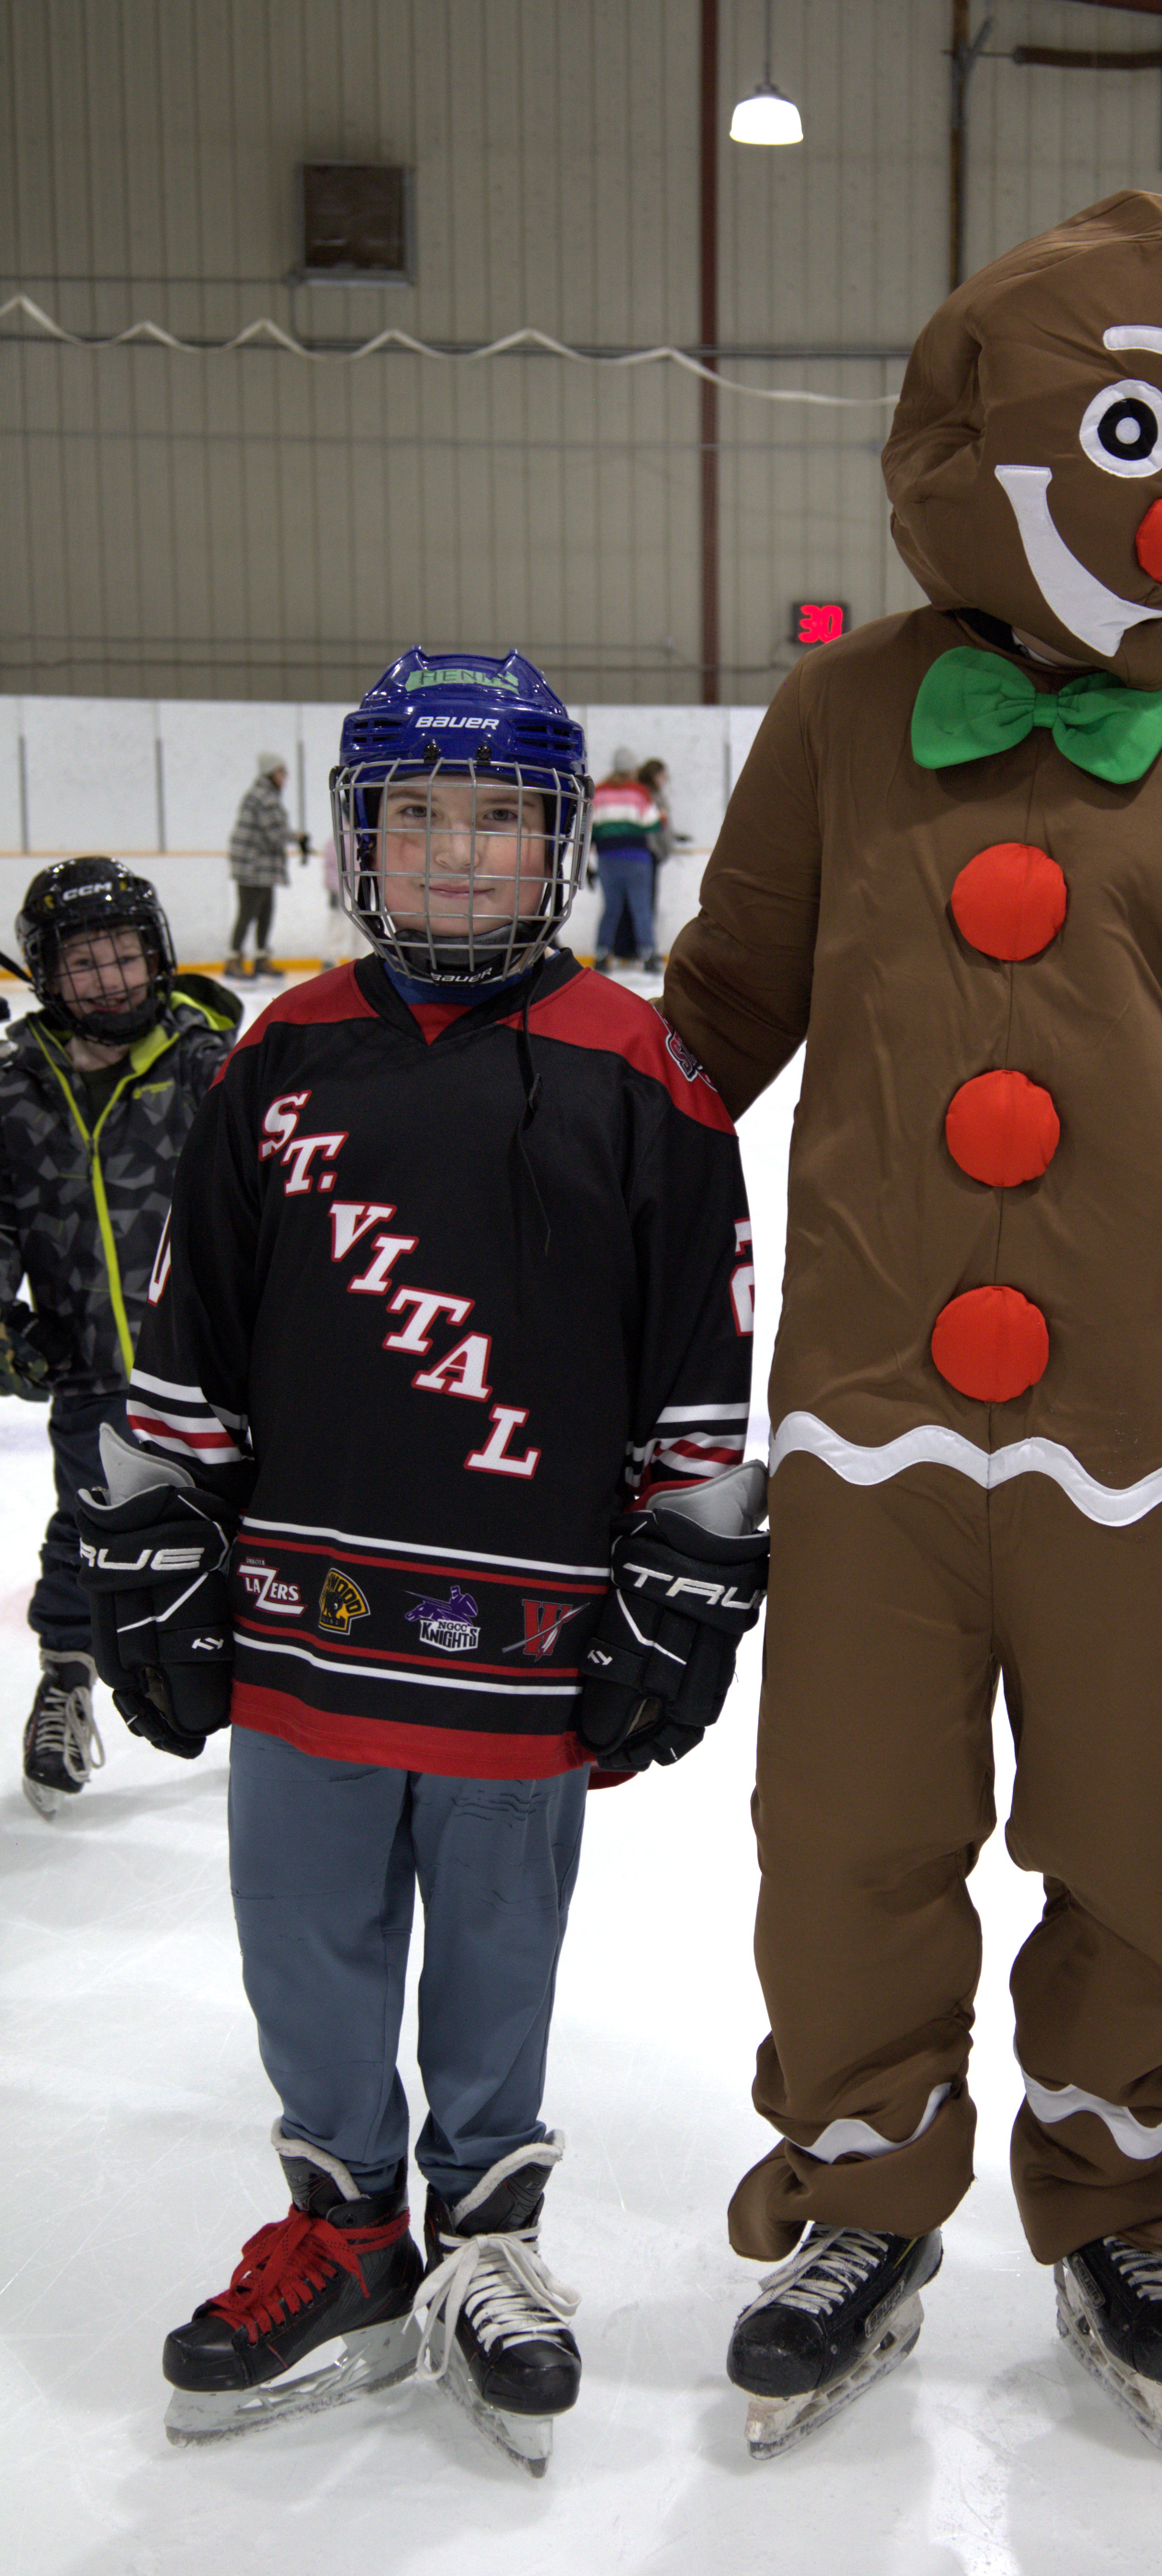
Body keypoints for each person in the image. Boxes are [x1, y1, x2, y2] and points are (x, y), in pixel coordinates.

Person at [660, 191, 1162, 2459]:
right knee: (848, 1835)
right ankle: (863, 2186)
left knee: (1138, 1839)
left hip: (1159, 1426)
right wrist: (512, 1153)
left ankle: (1120, 2193)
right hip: (877, 1430)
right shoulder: (844, 709)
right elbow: (716, 1022)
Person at [80, 648, 763, 2471]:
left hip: (522, 1639)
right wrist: (150, 1532)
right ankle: (347, 2231)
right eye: (419, 818)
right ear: (355, 839)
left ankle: (480, 2238)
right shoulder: (282, 1053)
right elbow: (191, 1327)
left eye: (501, 822)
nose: (460, 859)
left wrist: (688, 1580)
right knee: (302, 1938)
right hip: (300, 1624)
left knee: (492, 1958)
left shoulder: (646, 1073)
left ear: (564, 848)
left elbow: (705, 1361)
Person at [0, 857, 237, 1815]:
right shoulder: (16, 1095)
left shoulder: (211, 1064)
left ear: (159, 958)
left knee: (257, 1523)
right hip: (93, 1366)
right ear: (47, 977)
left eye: (124, 956)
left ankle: (277, 1697)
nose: (108, 979)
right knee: (91, 1532)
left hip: (220, 1359)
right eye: (84, 963)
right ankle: (66, 1677)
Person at [226, 752, 308, 980]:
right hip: (254, 867)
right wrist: (297, 836)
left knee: (264, 913)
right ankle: (233, 959)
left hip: (259, 867)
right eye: (282, 772)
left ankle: (260, 958)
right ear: (271, 773)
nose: (286, 776)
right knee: (249, 913)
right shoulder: (265, 798)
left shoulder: (263, 795)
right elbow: (275, 835)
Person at [589, 750, 669, 971]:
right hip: (637, 858)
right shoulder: (640, 792)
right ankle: (649, 956)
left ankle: (602, 955)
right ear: (632, 769)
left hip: (607, 858)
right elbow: (654, 822)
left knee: (611, 909)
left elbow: (591, 828)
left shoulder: (599, 792)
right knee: (641, 909)